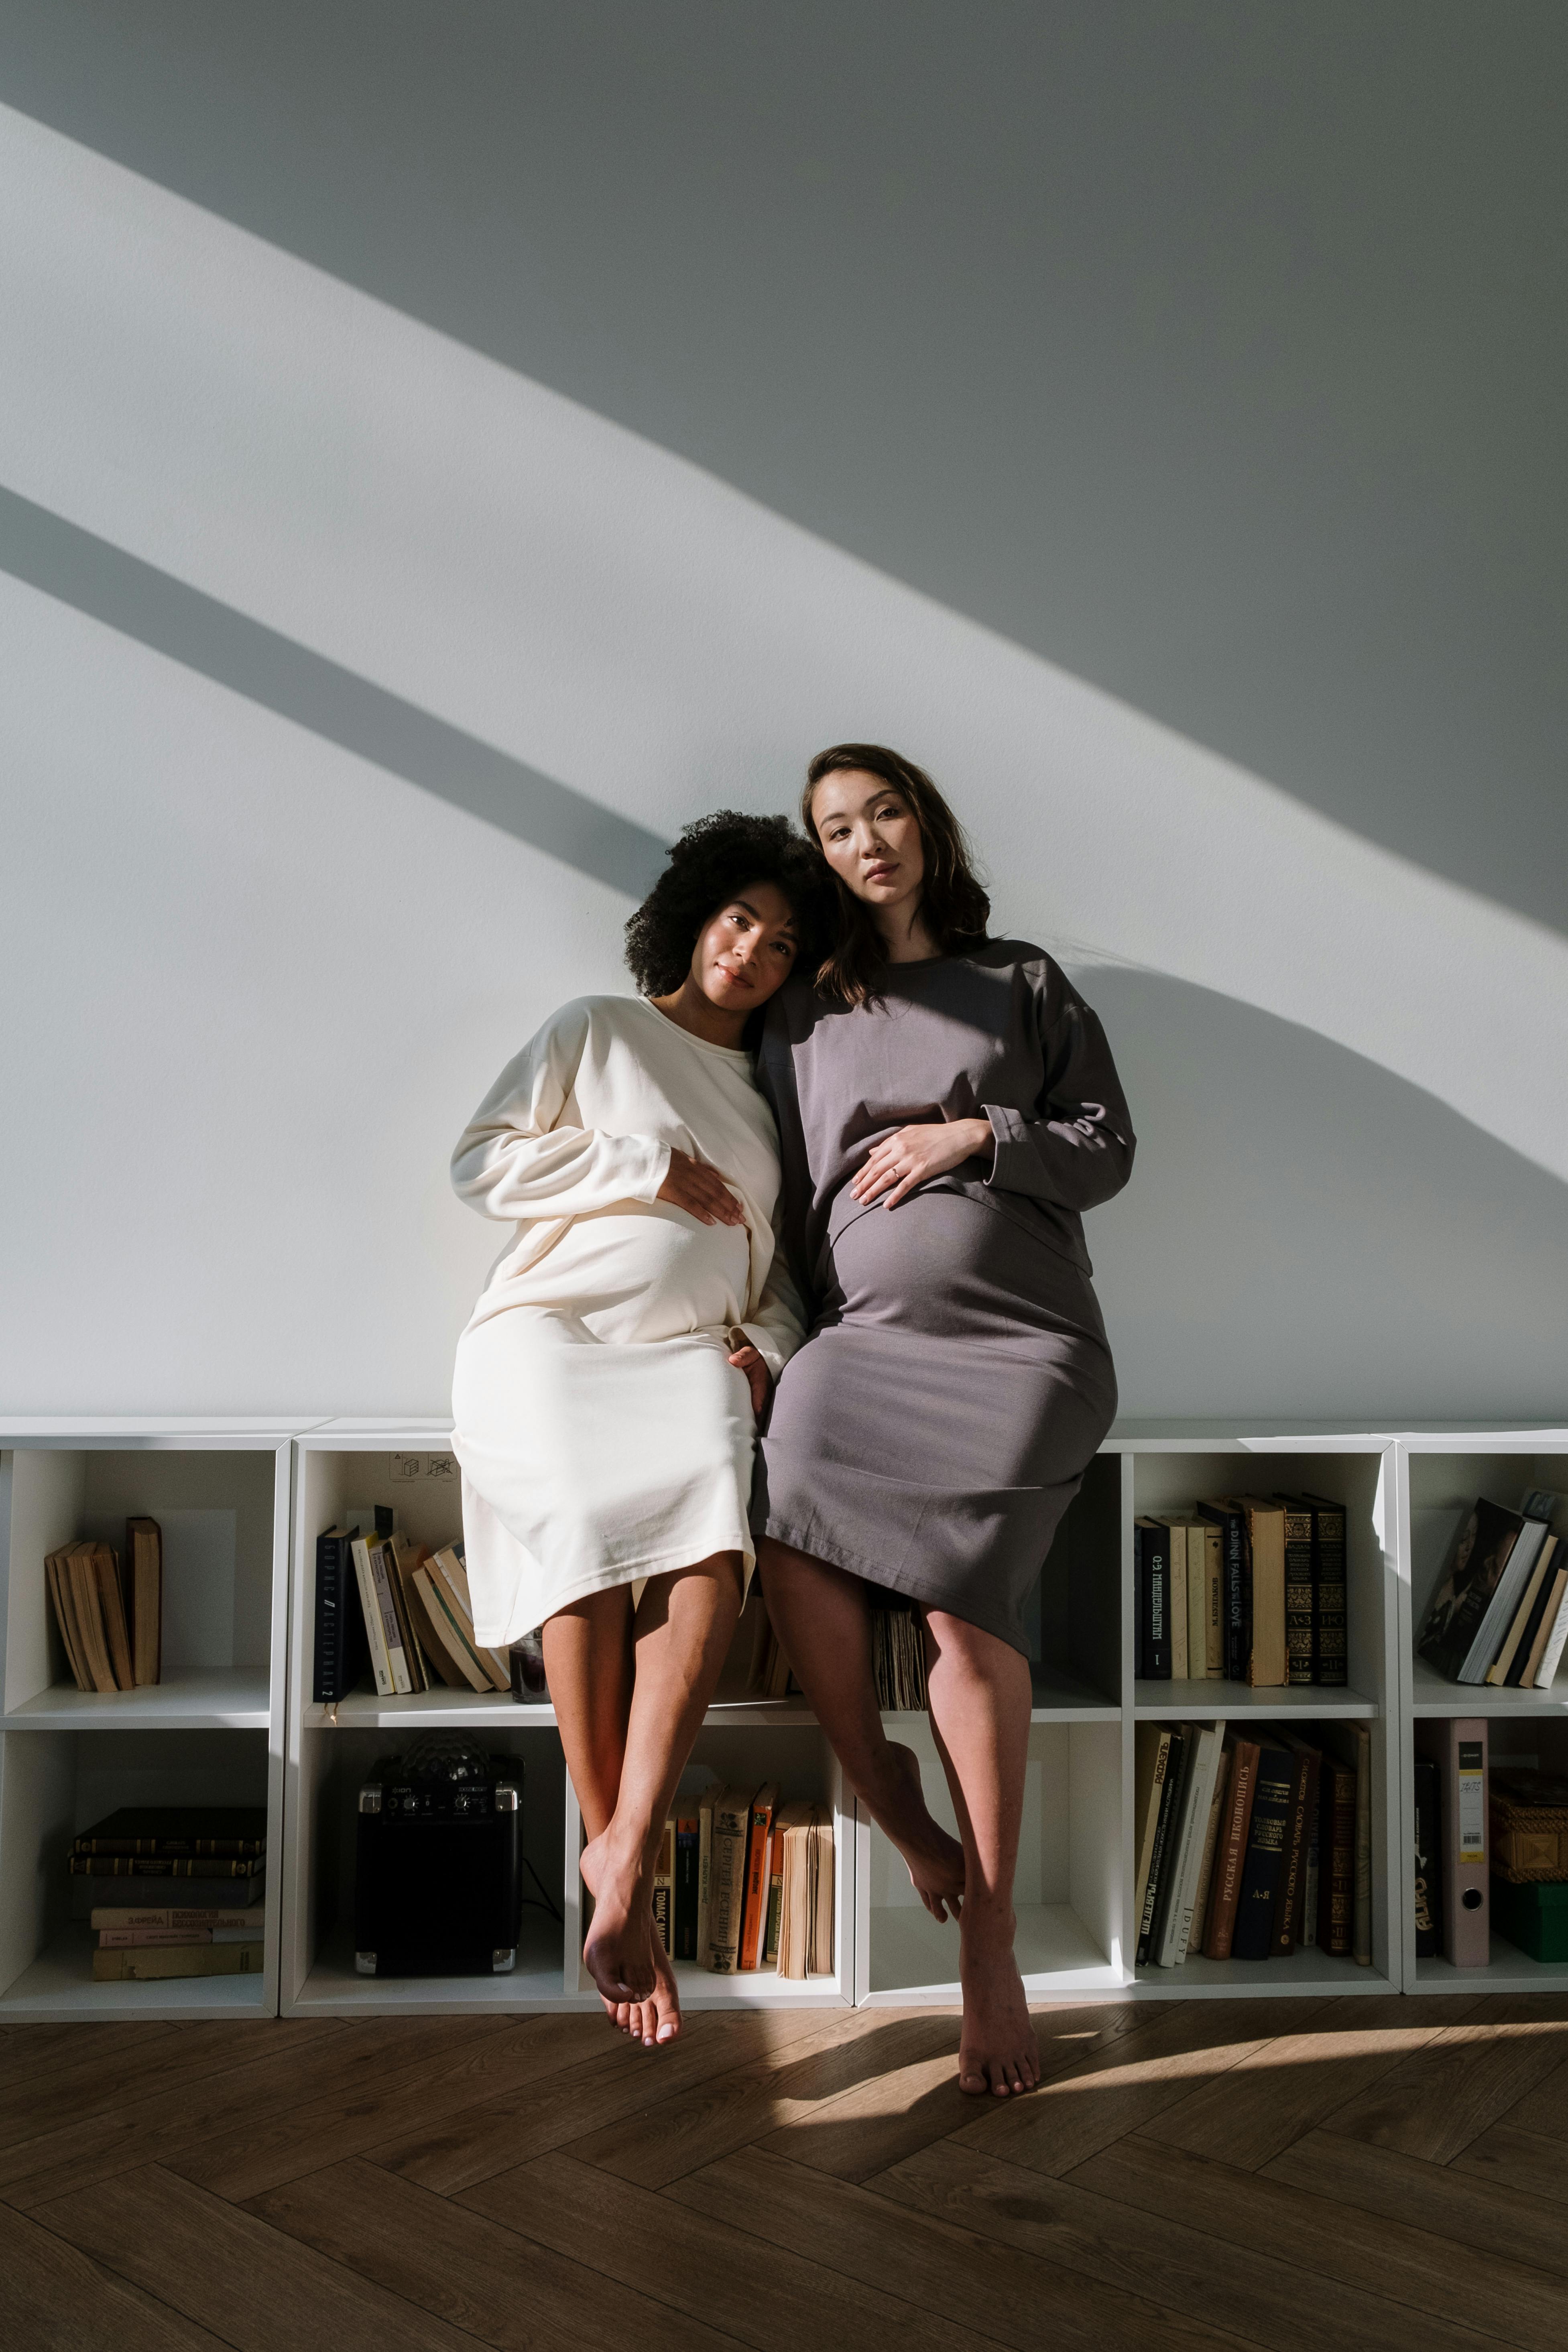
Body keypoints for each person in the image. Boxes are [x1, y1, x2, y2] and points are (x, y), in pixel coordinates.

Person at [753, 744, 1135, 2096]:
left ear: (926, 824)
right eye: (839, 829)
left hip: (1025, 1344)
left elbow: (1108, 1147)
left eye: (886, 812)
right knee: (787, 1504)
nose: (869, 842)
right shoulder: (798, 1012)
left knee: (970, 1612)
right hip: (867, 1343)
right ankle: (891, 1799)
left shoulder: (1020, 980)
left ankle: (988, 1932)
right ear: (824, 857)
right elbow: (784, 1194)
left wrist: (974, 1140)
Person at [449, 811, 820, 2049]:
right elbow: (477, 1164)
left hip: (681, 1359)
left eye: (779, 945)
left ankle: (616, 1853)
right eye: (737, 921)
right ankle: (629, 1877)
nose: (751, 953)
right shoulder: (594, 1030)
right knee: (584, 1546)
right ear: (694, 915)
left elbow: (774, 1273)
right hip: (548, 1335)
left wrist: (762, 1351)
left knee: (713, 1524)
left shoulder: (777, 1100)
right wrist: (638, 1167)